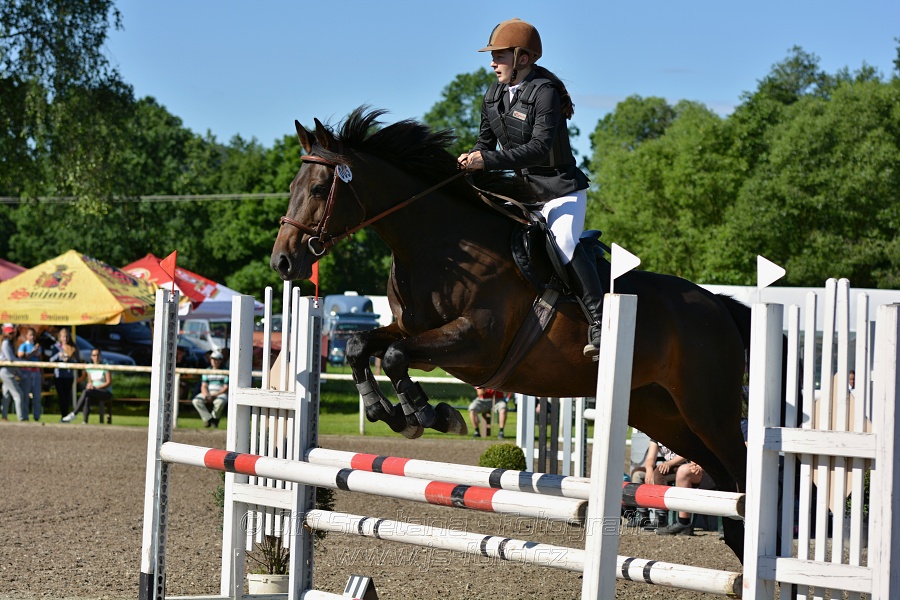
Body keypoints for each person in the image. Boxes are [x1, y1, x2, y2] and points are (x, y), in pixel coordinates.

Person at [458, 18, 604, 358]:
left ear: (522, 58)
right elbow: (484, 144)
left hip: (560, 189)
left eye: (500, 56)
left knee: (563, 242)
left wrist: (486, 161)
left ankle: (600, 321)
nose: (493, 63)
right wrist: (469, 161)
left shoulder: (545, 92)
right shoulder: (493, 95)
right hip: (523, 191)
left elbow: (539, 148)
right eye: (493, 56)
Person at [655, 461, 716, 536]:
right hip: (703, 470)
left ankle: (728, 524)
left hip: (720, 469)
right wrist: (695, 463)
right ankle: (684, 523)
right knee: (683, 470)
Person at [62, 348, 112, 424]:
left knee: (86, 392)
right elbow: (90, 382)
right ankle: (85, 421)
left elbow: (108, 382)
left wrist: (96, 387)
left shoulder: (105, 366)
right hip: (93, 391)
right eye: (94, 355)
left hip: (105, 392)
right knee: (87, 396)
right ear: (91, 357)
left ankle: (74, 413)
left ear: (100, 356)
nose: (96, 357)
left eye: (97, 355)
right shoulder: (89, 367)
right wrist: (90, 385)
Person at [49, 328, 80, 420]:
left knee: (67, 396)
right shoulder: (56, 347)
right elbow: (51, 360)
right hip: (58, 376)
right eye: (63, 337)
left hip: (69, 376)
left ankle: (65, 416)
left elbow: (77, 361)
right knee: (61, 396)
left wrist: (69, 359)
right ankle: (63, 415)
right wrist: (59, 355)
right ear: (60, 337)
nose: (65, 339)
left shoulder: (73, 347)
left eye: (66, 337)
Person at [192, 349, 228, 428]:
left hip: (220, 393)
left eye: (217, 359)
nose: (214, 361)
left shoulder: (226, 371)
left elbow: (226, 387)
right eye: (213, 359)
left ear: (221, 361)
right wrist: (206, 395)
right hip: (209, 392)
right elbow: (204, 386)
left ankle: (215, 418)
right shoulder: (207, 371)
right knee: (196, 400)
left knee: (220, 402)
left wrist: (215, 395)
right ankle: (209, 419)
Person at [16, 326, 43, 421]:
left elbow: (40, 360)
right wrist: (32, 352)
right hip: (26, 372)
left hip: (36, 372)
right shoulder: (23, 346)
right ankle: (25, 416)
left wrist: (42, 374)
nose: (32, 337)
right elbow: (21, 356)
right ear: (27, 336)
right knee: (25, 395)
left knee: (37, 396)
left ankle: (37, 416)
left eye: (34, 335)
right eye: (30, 335)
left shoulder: (38, 347)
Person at [1, 323, 26, 421]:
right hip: (6, 371)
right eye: (9, 333)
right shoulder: (5, 343)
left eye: (12, 333)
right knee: (18, 394)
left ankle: (4, 416)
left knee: (6, 395)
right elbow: (10, 359)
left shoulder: (7, 342)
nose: (11, 335)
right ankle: (21, 418)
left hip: (7, 370)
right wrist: (23, 362)